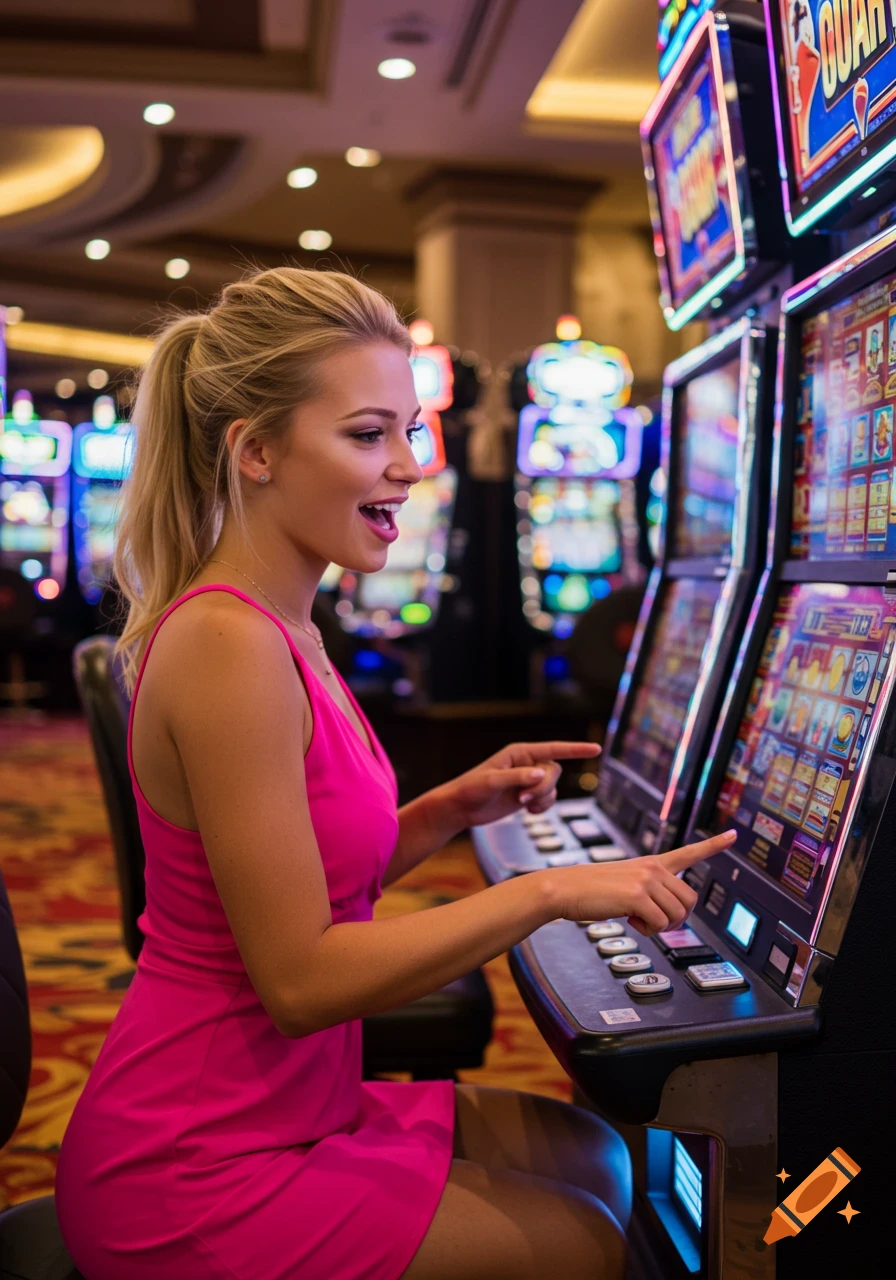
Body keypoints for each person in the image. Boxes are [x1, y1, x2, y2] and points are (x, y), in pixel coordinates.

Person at [54, 267, 735, 1280]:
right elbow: (298, 978)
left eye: (409, 432)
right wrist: (547, 891)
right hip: (200, 1156)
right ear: (256, 451)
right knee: (591, 1239)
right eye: (368, 434)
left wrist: (453, 807)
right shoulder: (226, 644)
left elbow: (309, 868)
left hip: (297, 1101)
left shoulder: (286, 622)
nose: (410, 468)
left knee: (598, 1155)